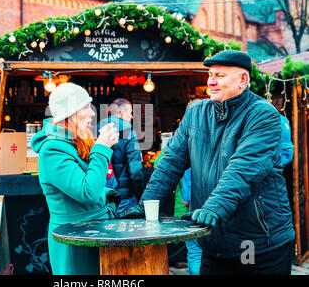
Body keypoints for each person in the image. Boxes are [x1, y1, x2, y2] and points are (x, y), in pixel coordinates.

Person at [119, 50, 295, 275]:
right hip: (213, 239)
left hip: (257, 241)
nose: (211, 81)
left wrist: (212, 208)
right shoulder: (195, 112)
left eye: (219, 75)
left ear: (243, 79)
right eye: (209, 74)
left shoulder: (263, 115)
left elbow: (244, 169)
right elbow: (170, 164)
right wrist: (146, 205)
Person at [31, 82, 120, 275]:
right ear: (69, 113)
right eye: (86, 107)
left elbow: (89, 187)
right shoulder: (52, 150)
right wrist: (102, 148)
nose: (92, 113)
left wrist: (108, 196)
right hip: (73, 240)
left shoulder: (75, 141)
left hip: (93, 232)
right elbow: (87, 192)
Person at [97, 98, 144, 212]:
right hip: (125, 198)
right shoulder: (128, 132)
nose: (132, 117)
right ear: (122, 113)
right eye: (130, 112)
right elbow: (136, 171)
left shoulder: (95, 130)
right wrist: (140, 195)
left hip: (101, 196)